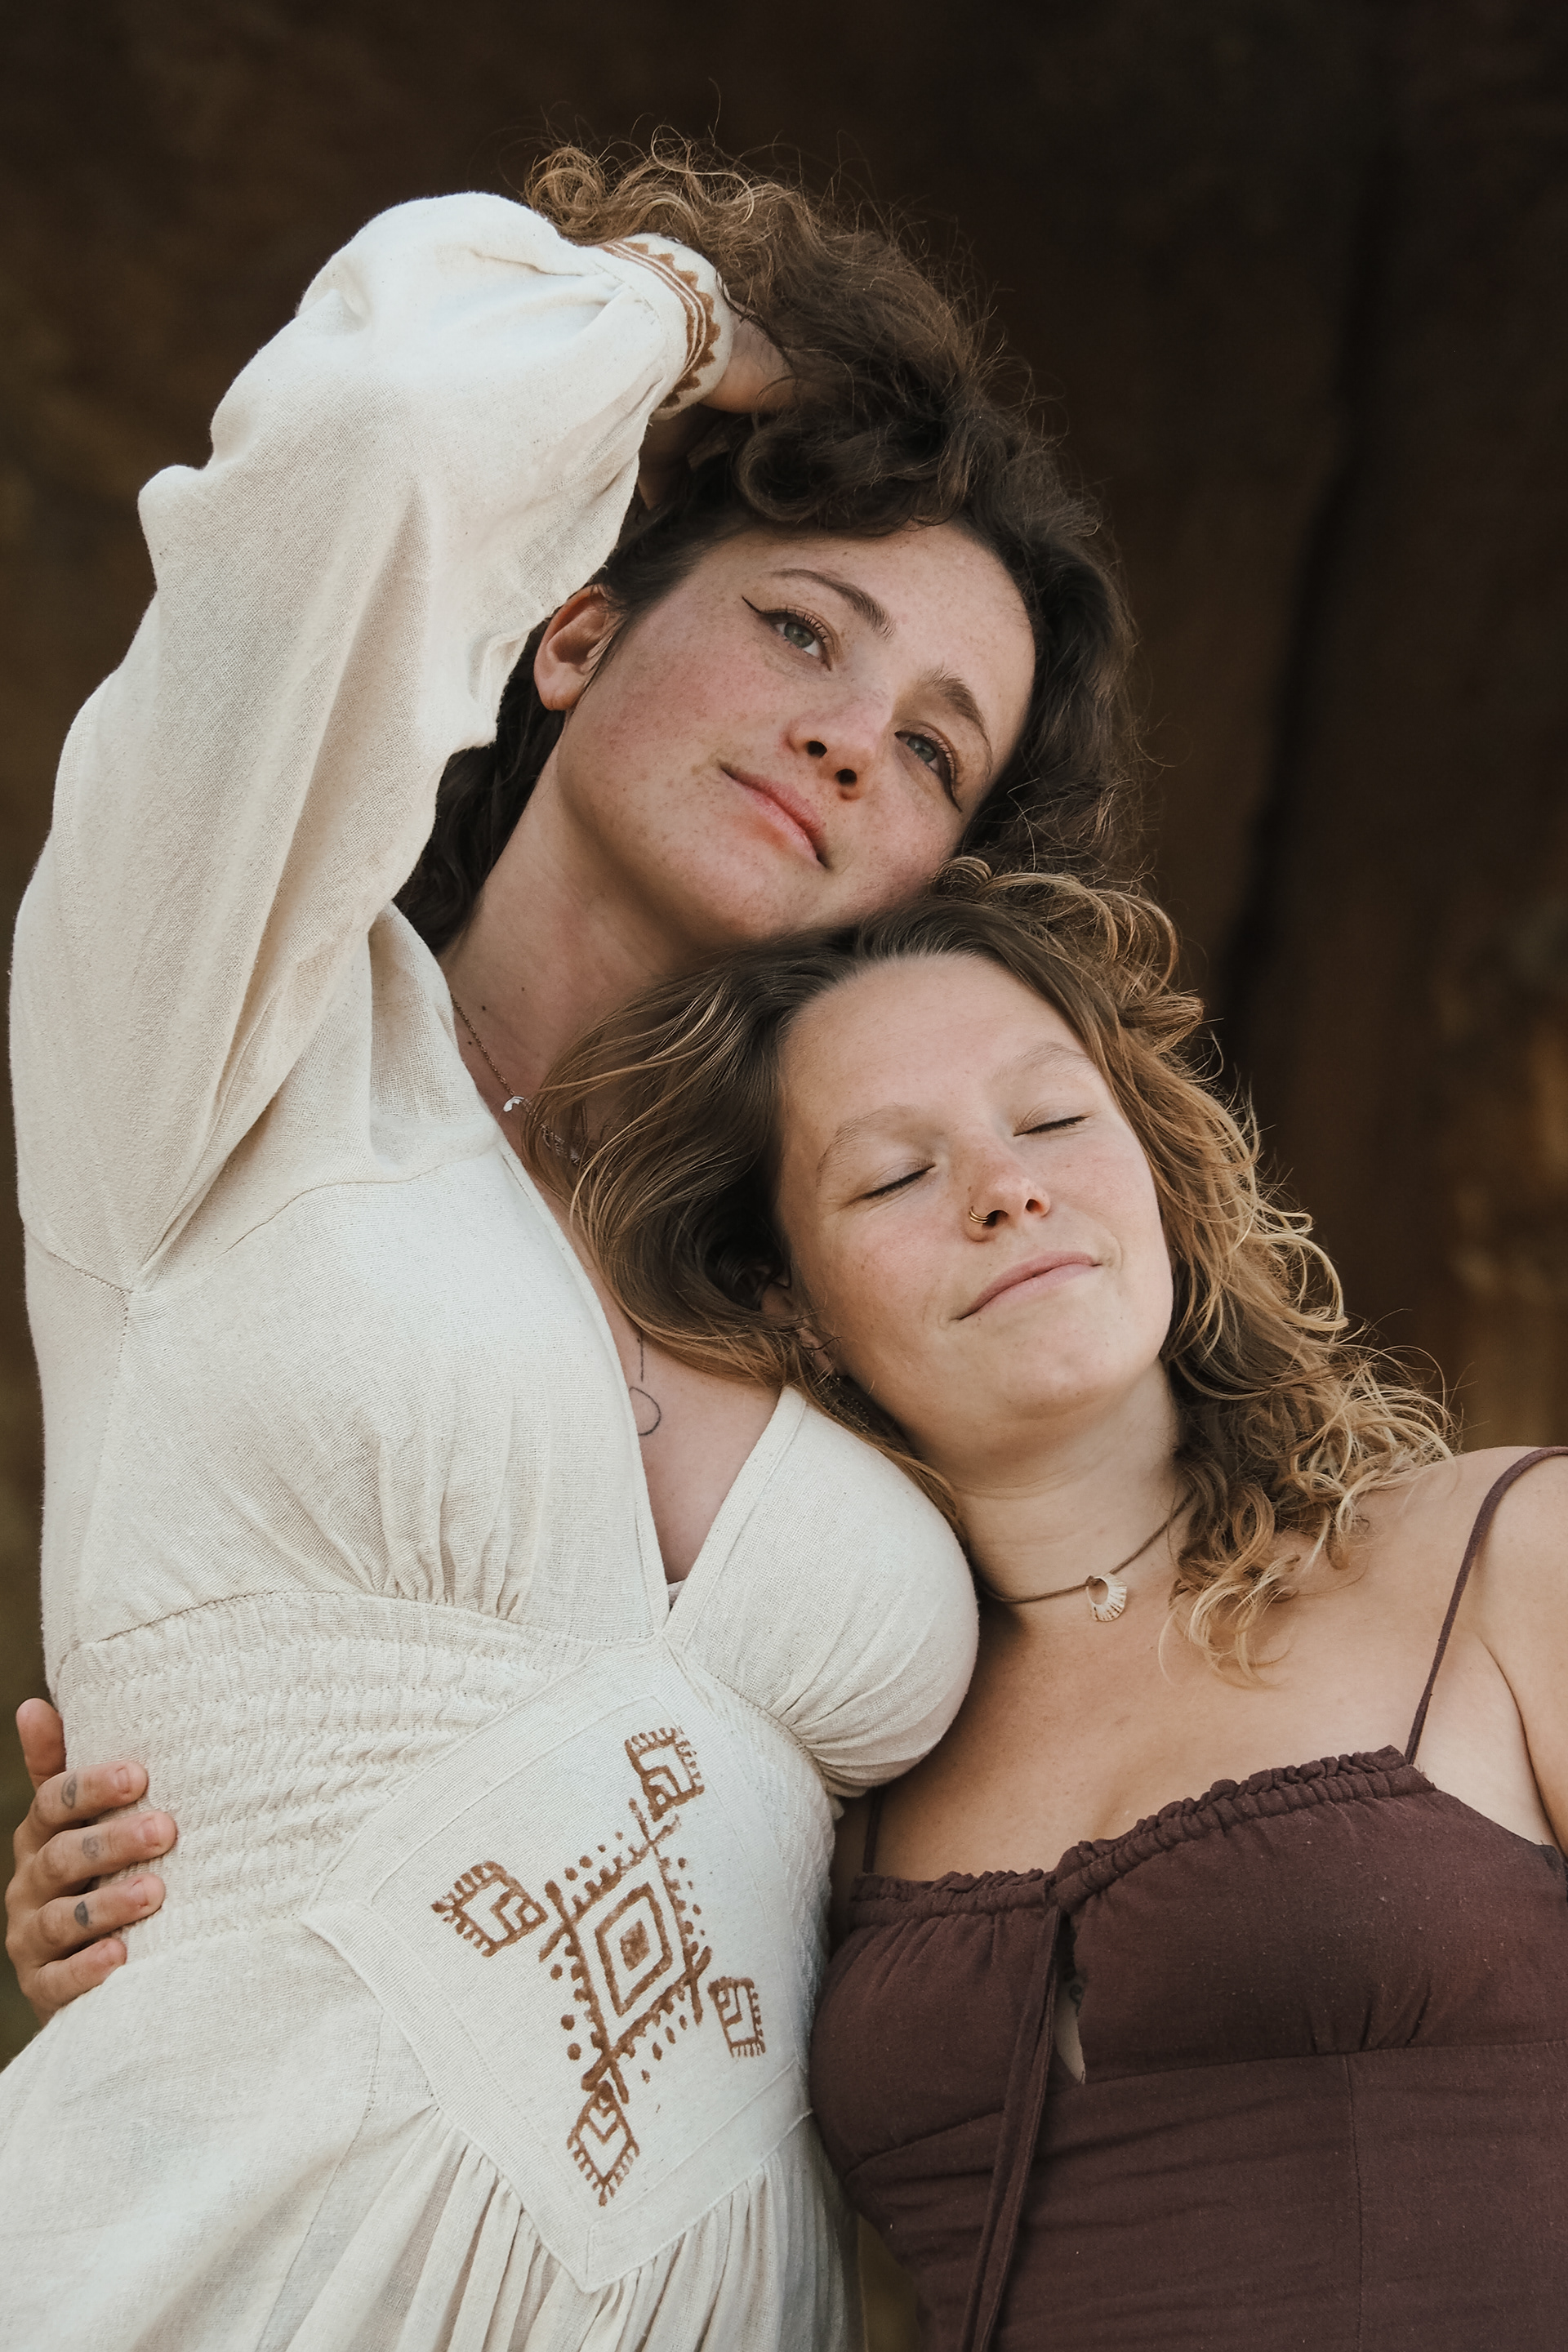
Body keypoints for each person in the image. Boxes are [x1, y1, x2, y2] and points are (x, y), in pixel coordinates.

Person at [0, 145, 1136, 2349]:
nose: (850, 738)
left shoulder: (863, 1287)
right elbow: (380, 431)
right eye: (801, 628)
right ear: (577, 625)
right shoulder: (226, 1026)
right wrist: (707, 335)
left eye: (933, 750)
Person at [513, 862, 1568, 2351]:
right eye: (894, 1176)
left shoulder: (1509, 1555)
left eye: (1055, 1120)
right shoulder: (832, 1762)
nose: (1008, 1189)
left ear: (1158, 1173)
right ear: (788, 1299)